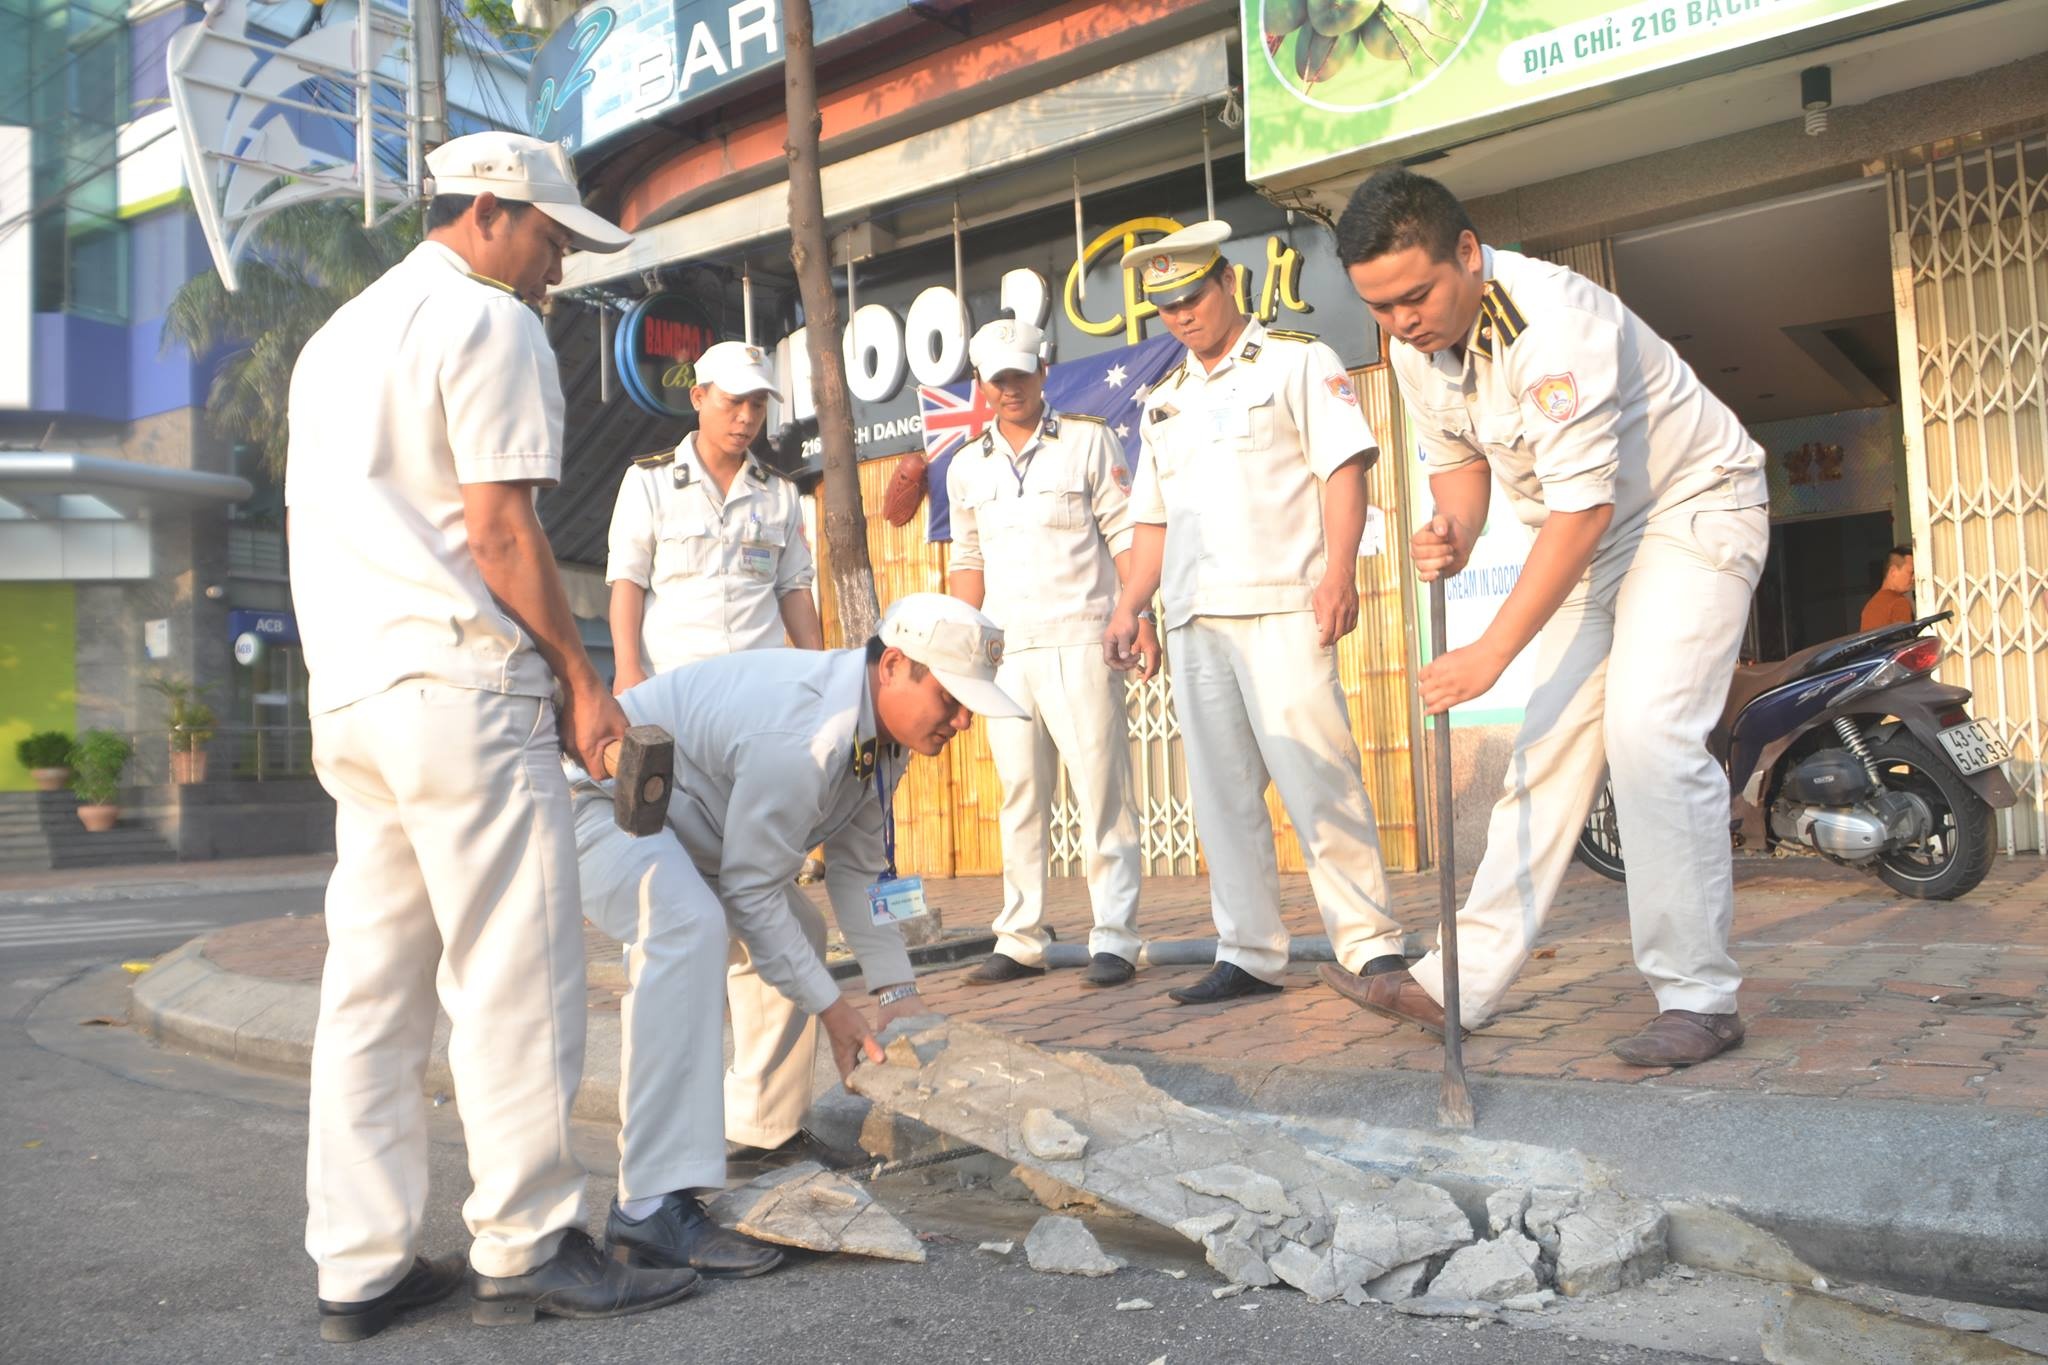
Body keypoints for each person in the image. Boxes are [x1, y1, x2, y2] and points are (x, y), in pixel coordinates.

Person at [285, 130, 695, 1341]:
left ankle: (357, 1263)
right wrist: (582, 679)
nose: (558, 268)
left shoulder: (334, 338)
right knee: (512, 977)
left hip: (355, 698)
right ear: (486, 213)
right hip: (461, 691)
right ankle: (526, 1238)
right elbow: (502, 530)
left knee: (371, 991)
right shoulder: (491, 321)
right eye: (551, 239)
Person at [1333, 167, 1770, 1067]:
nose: (1402, 321)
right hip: (1597, 533)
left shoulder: (1553, 324)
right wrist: (1451, 526)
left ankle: (1699, 997)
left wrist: (1490, 652)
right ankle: (1457, 981)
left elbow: (1582, 513)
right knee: (1547, 750)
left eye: (1415, 295)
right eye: (1380, 307)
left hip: (1691, 508)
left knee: (1649, 733)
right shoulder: (1416, 350)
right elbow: (1459, 460)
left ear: (1467, 252)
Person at [570, 593, 1028, 1273]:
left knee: (800, 930)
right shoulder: (805, 735)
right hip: (603, 802)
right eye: (953, 697)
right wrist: (841, 1016)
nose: (963, 719)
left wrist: (898, 992)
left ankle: (758, 1131)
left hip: (689, 829)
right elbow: (752, 893)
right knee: (686, 924)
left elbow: (861, 871)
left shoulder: (880, 740)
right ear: (895, 665)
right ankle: (649, 1207)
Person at [1102, 220, 1408, 1007]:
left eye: (1192, 296)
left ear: (1229, 284)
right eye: (1164, 306)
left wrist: (1339, 572)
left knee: (1318, 777)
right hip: (1195, 618)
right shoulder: (1162, 403)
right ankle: (1248, 949)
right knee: (1220, 794)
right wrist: (1130, 606)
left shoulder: (1296, 361)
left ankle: (1369, 943)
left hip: (1283, 602)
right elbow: (1152, 520)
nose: (1181, 315)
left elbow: (1342, 467)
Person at [947, 318, 1153, 990]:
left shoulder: (1088, 441)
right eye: (996, 378)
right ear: (982, 384)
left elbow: (1124, 531)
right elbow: (968, 560)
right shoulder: (966, 466)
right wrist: (961, 647)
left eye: (1019, 374)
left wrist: (1137, 612)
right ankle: (1020, 937)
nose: (1009, 388)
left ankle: (1115, 936)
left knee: (1102, 792)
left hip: (1082, 639)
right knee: (1020, 796)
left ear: (1043, 370)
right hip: (1006, 652)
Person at [604, 340, 824, 690]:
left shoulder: (781, 493)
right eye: (734, 401)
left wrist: (819, 672)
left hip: (758, 689)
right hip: (672, 687)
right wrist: (627, 669)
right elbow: (628, 582)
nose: (747, 418)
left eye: (758, 404)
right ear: (698, 398)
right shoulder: (649, 482)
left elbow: (794, 589)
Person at [1859, 545, 1914, 631]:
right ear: (1893, 572)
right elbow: (1905, 642)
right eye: (1911, 572)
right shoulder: (1899, 603)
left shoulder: (1870, 606)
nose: (1914, 578)